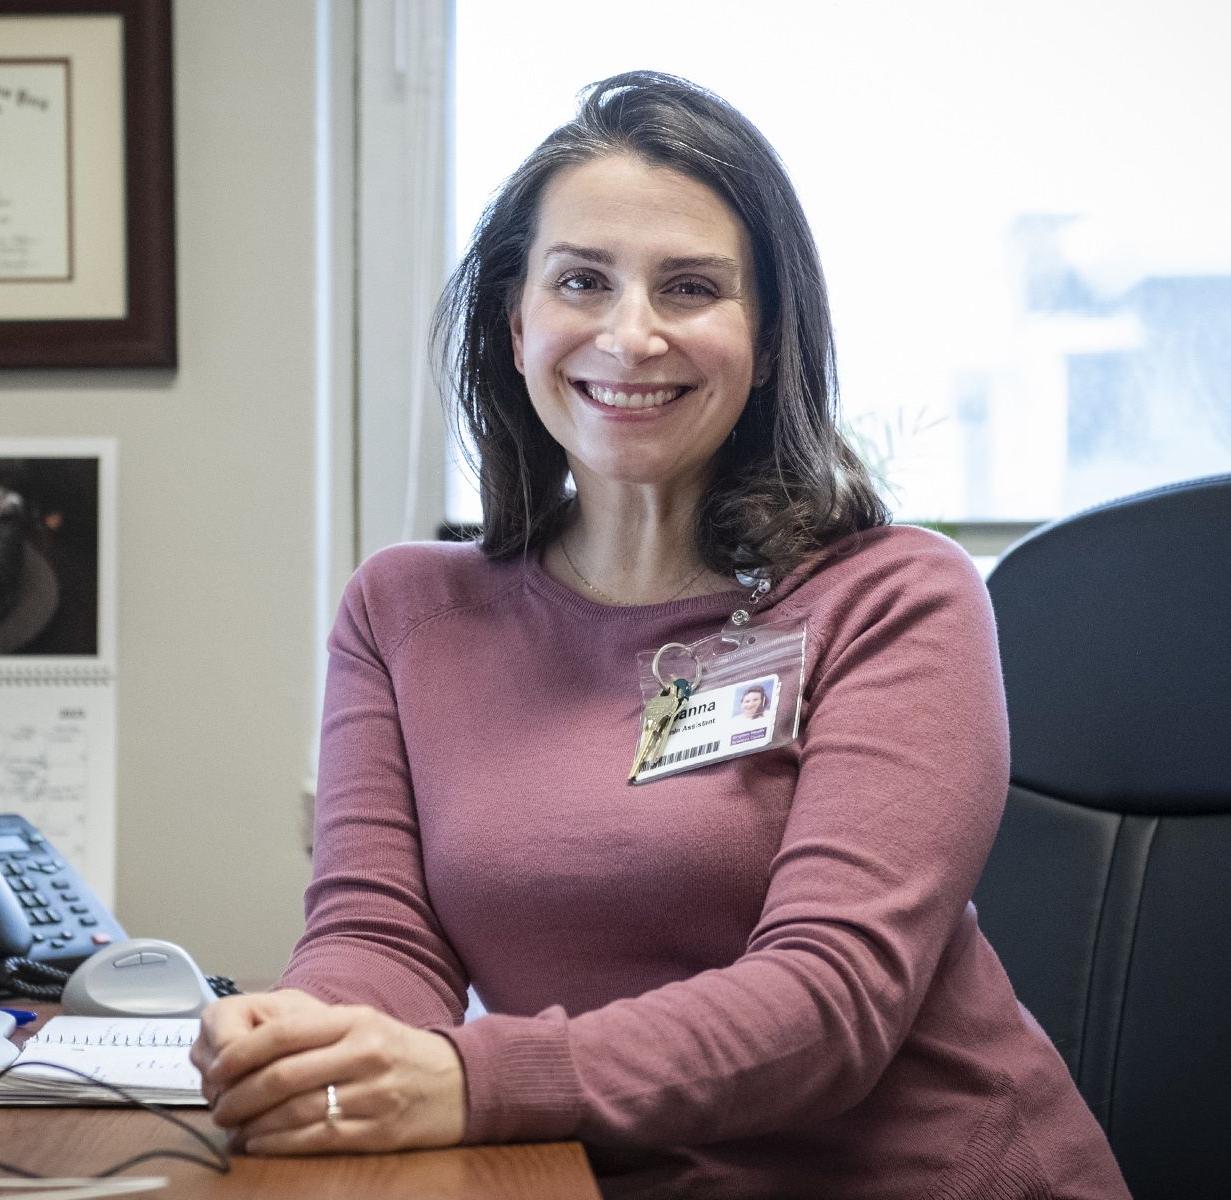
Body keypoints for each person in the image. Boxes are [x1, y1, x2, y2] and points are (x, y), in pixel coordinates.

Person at [193, 71, 1129, 1198]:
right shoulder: (404, 612)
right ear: (517, 320)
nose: (629, 336)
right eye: (581, 281)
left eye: (689, 288)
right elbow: (381, 938)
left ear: (772, 339)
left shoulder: (893, 598)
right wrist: (305, 1043)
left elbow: (830, 999)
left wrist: (469, 1077)